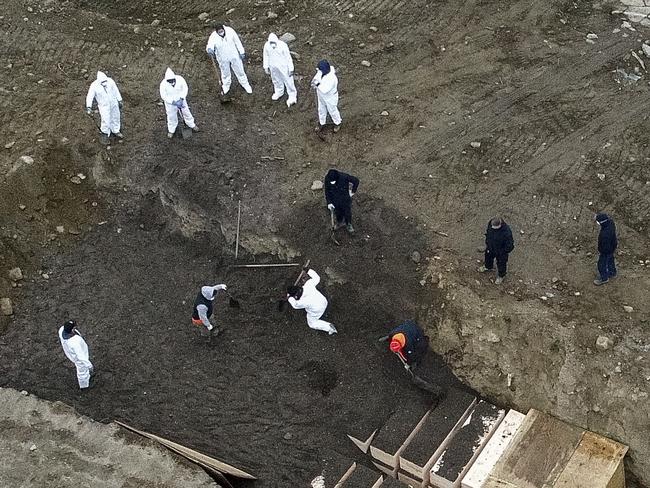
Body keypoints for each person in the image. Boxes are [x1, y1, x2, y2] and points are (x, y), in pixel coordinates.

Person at [287, 267, 337, 335]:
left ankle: (329, 327)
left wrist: (289, 298)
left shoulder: (303, 301)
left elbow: (295, 305)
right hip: (323, 301)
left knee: (312, 324)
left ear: (295, 296)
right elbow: (317, 278)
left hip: (317, 310)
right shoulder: (308, 284)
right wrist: (308, 270)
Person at [206, 24, 252, 96]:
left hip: (234, 55)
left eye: (222, 31)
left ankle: (245, 84)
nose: (221, 33)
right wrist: (209, 49)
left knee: (240, 70)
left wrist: (241, 51)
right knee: (225, 73)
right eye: (219, 32)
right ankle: (226, 86)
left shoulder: (230, 31)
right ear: (216, 32)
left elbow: (237, 41)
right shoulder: (213, 36)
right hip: (222, 58)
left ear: (223, 29)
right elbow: (210, 45)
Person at [159, 67, 199, 138]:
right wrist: (173, 102)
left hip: (181, 101)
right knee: (171, 116)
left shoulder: (180, 79)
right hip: (170, 104)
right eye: (169, 81)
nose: (171, 82)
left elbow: (185, 88)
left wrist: (181, 98)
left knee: (186, 112)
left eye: (172, 80)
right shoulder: (163, 84)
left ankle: (191, 124)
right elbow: (163, 96)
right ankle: (171, 130)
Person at [85, 71, 123, 144]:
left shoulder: (110, 81)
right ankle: (105, 134)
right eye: (103, 82)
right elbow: (90, 96)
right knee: (106, 120)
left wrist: (119, 100)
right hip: (104, 106)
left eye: (105, 81)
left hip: (113, 103)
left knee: (116, 116)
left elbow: (116, 90)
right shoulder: (94, 86)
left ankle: (116, 130)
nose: (104, 83)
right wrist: (88, 107)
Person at [262, 33, 297, 107]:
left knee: (288, 80)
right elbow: (266, 56)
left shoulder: (283, 45)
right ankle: (279, 91)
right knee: (276, 79)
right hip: (273, 66)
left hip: (283, 66)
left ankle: (292, 95)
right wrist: (266, 66)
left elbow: (288, 57)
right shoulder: (267, 46)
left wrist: (291, 68)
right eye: (271, 43)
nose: (272, 44)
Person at [58, 320, 94, 389]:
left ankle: (87, 377)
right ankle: (84, 386)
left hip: (73, 354)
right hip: (78, 359)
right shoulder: (75, 342)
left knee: (83, 370)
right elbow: (81, 356)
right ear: (72, 330)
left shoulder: (61, 330)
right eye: (74, 327)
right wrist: (89, 365)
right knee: (82, 372)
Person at [479, 217, 514, 284]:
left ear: (500, 225)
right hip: (491, 247)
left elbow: (510, 245)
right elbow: (488, 233)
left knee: (501, 264)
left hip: (501, 251)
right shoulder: (491, 223)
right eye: (492, 227)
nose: (492, 228)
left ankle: (501, 276)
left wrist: (503, 252)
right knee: (488, 258)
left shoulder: (506, 232)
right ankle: (488, 267)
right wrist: (487, 243)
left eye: (494, 228)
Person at [324, 169, 359, 233]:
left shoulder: (344, 177)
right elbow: (327, 191)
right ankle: (339, 222)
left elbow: (356, 180)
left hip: (345, 198)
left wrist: (352, 192)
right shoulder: (327, 178)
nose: (332, 183)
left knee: (347, 212)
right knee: (338, 212)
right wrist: (329, 202)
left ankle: (348, 224)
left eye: (333, 181)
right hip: (335, 199)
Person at [310, 60, 341, 132]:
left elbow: (325, 89)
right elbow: (317, 76)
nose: (319, 71)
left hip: (330, 97)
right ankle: (322, 122)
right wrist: (314, 81)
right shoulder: (321, 71)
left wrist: (317, 85)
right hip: (321, 95)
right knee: (321, 109)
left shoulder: (332, 78)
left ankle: (337, 122)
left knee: (332, 110)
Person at [594, 213, 618, 285]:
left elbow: (605, 246)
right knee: (610, 260)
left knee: (601, 264)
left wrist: (601, 250)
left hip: (606, 251)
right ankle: (612, 272)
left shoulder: (605, 234)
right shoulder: (611, 223)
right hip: (612, 246)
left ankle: (604, 278)